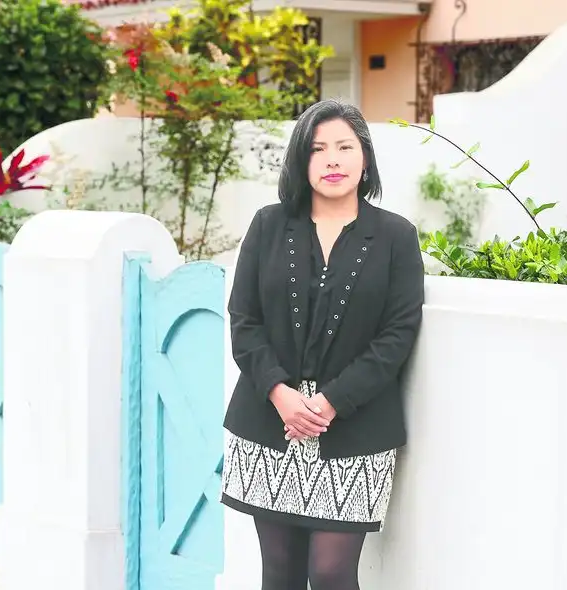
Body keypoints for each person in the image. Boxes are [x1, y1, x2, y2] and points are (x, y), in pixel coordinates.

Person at [220, 99, 425, 590]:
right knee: (280, 571)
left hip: (356, 426)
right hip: (271, 422)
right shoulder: (268, 225)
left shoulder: (396, 236)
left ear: (365, 157)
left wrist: (332, 401)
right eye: (317, 149)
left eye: (344, 147)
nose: (332, 160)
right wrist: (280, 393)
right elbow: (244, 320)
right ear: (300, 161)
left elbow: (398, 333)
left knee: (331, 572)